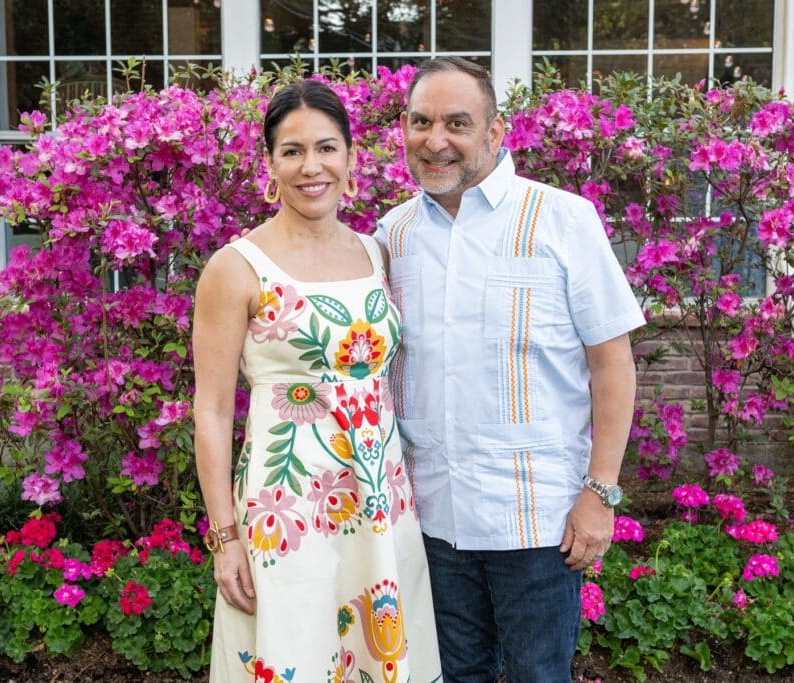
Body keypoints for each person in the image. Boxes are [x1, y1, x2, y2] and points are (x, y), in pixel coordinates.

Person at [375, 57, 645, 682]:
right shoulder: (393, 234)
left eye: (457, 123)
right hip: (432, 518)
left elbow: (611, 362)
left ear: (497, 133)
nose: (434, 139)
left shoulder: (562, 219)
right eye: (420, 121)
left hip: (538, 523)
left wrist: (600, 493)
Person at [193, 80, 441, 682]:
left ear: (351, 157)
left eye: (327, 148)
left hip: (381, 503)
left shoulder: (375, 253)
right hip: (290, 506)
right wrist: (226, 538)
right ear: (270, 164)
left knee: (379, 653)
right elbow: (213, 412)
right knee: (295, 654)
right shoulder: (236, 267)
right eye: (293, 151)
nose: (312, 167)